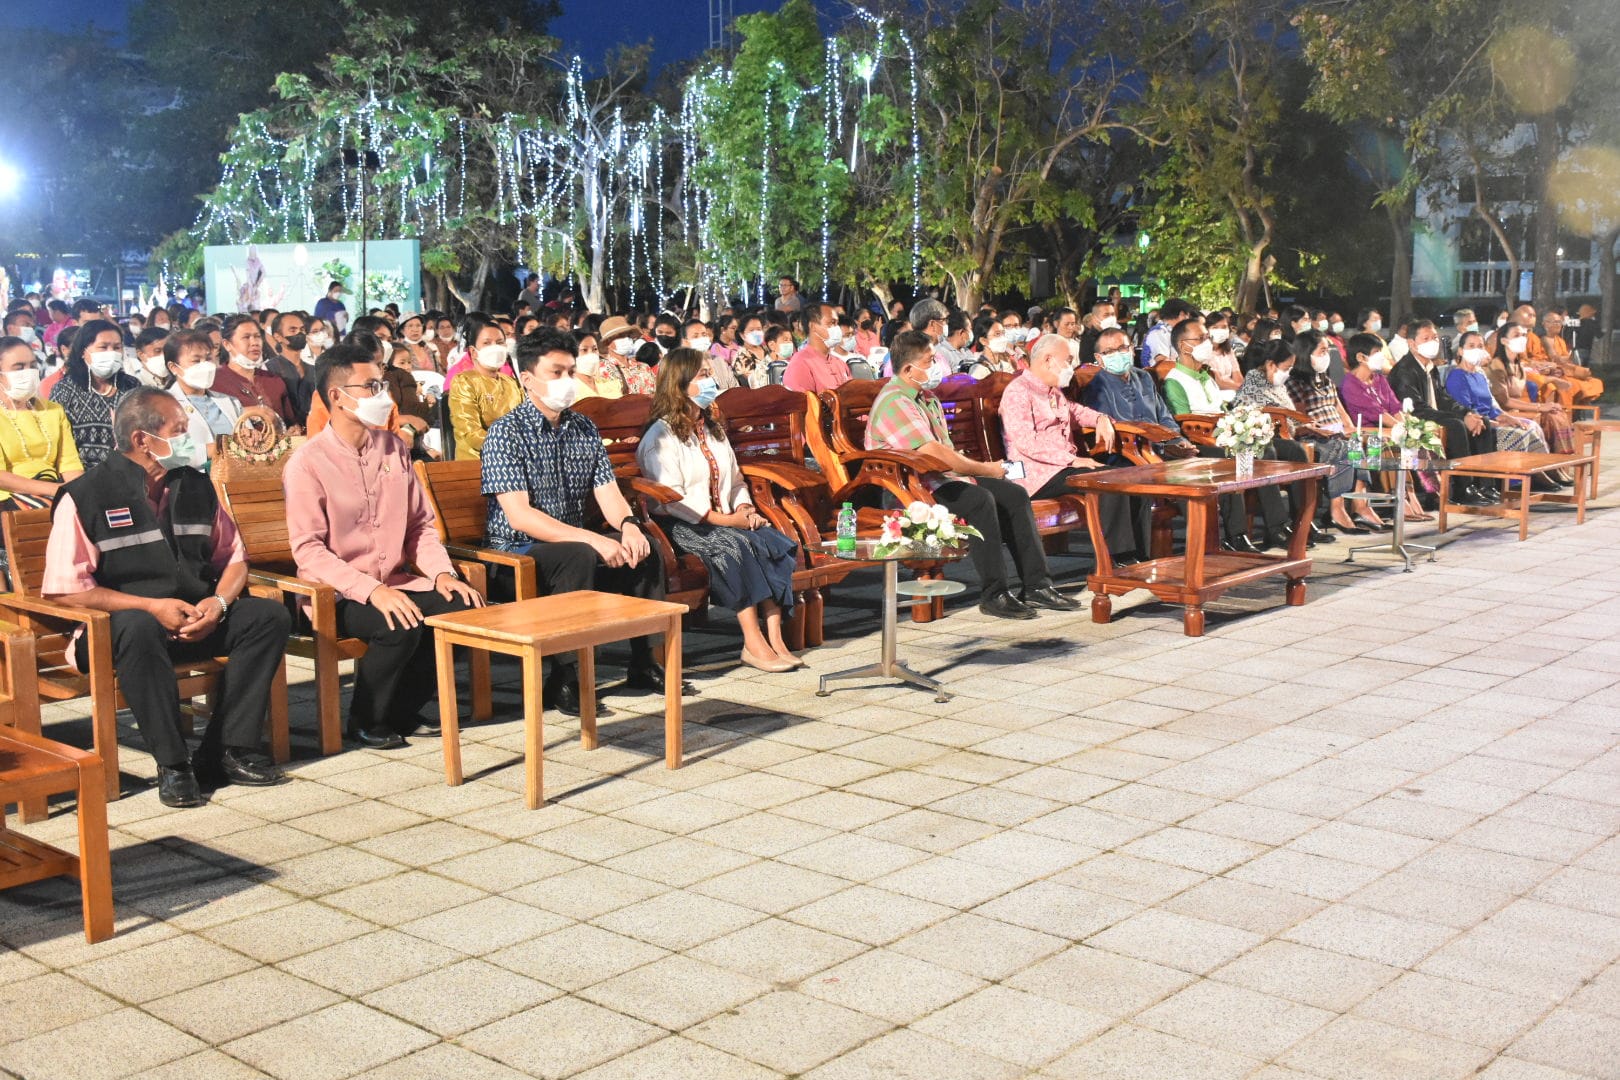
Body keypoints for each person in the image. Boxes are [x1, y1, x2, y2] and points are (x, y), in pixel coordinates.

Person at [42, 389, 291, 807]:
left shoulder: (196, 486)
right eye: (179, 430)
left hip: (194, 621)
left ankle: (226, 750)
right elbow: (66, 589)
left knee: (267, 616)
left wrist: (218, 605)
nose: (190, 438)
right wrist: (151, 607)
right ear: (142, 439)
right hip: (119, 633)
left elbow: (235, 559)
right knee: (139, 627)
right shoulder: (85, 495)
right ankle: (174, 765)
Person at [284, 345, 484, 749]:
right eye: (371, 386)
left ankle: (404, 709)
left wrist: (442, 573)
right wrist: (372, 590)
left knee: (463, 607)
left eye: (382, 385)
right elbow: (308, 549)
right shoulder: (307, 463)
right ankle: (367, 718)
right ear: (337, 395)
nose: (382, 395)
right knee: (398, 623)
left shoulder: (392, 448)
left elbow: (420, 525)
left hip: (397, 581)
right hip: (338, 593)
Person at [481, 329, 672, 714]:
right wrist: (592, 539)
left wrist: (629, 525)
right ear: (527, 378)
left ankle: (643, 661)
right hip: (515, 553)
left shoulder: (583, 428)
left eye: (570, 372)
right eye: (556, 373)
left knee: (645, 547)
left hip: (571, 545)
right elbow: (520, 516)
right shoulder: (506, 433)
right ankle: (566, 676)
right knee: (578, 555)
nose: (566, 381)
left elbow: (608, 493)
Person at [866, 330, 1078, 619]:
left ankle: (1037, 586)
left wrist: (979, 470)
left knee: (1014, 495)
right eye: (929, 362)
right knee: (980, 500)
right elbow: (935, 455)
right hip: (912, 488)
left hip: (941, 478)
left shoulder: (925, 397)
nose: (936, 367)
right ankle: (995, 594)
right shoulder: (896, 402)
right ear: (907, 370)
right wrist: (986, 469)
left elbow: (945, 455)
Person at [638, 349, 802, 672]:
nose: (710, 381)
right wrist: (726, 521)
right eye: (702, 375)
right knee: (736, 545)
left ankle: (775, 636)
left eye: (709, 374)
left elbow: (736, 479)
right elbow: (671, 498)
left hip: (727, 517)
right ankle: (752, 641)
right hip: (680, 525)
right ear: (680, 383)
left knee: (771, 540)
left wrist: (744, 508)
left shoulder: (712, 429)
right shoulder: (661, 436)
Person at [998, 334, 1143, 559]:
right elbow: (1026, 442)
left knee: (1133, 481)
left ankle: (1142, 557)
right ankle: (1120, 560)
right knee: (1109, 481)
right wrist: (1072, 460)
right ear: (1048, 360)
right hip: (1035, 472)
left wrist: (1101, 418)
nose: (1070, 366)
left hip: (1062, 468)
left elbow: (1075, 411)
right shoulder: (1018, 392)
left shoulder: (1052, 390)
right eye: (1067, 360)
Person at [1286, 333, 1389, 532]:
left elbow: (1341, 413)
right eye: (1322, 351)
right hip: (1313, 437)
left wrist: (1352, 431)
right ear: (1307, 353)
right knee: (1343, 447)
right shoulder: (1294, 383)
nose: (1327, 355)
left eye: (1328, 350)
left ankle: (1361, 505)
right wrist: (1331, 431)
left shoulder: (1325, 380)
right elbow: (1301, 420)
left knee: (1363, 442)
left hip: (1337, 433)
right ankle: (1337, 508)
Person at [1388, 321, 1497, 506]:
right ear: (1412, 343)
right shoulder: (1404, 370)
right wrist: (1462, 418)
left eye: (1435, 338)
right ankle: (1463, 488)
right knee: (1456, 425)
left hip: (1433, 414)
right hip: (1415, 418)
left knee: (1482, 420)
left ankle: (1486, 485)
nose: (1433, 342)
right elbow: (1417, 408)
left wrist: (1467, 413)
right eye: (1426, 338)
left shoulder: (1429, 367)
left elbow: (1443, 398)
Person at [1447, 331, 1561, 490]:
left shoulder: (1479, 375)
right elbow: (1468, 412)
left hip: (1492, 419)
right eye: (1471, 346)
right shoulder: (1457, 376)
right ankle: (1515, 481)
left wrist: (1509, 418)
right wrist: (1496, 423)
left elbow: (1492, 406)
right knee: (1518, 434)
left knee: (1530, 426)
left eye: (1480, 346)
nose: (1477, 349)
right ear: (1460, 351)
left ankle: (1542, 472)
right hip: (1480, 425)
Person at [0, 336, 83, 510]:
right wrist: (57, 490)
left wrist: (79, 493)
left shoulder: (53, 410)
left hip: (54, 489)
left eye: (33, 366)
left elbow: (70, 464)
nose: (28, 372)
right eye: (19, 367)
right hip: (9, 495)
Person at [49, 318, 141, 470]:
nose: (111, 353)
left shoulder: (131, 386)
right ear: (83, 351)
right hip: (79, 473)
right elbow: (57, 441)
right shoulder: (64, 390)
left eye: (117, 347)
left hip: (127, 470)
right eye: (103, 347)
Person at [164, 330, 242, 469]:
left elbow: (248, 440)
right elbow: (171, 454)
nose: (204, 365)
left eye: (208, 358)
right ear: (174, 367)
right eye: (196, 361)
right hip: (195, 479)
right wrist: (218, 447)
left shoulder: (230, 402)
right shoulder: (164, 405)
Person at [449, 318, 523, 458]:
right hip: (478, 461)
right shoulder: (464, 382)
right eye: (487, 343)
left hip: (516, 457)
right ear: (473, 351)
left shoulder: (511, 383)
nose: (495, 348)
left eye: (500, 343)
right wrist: (509, 446)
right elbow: (471, 432)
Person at [213, 315, 299, 431]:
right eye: (246, 337)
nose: (254, 343)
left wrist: (293, 429)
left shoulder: (273, 380)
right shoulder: (215, 382)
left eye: (257, 337)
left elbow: (290, 422)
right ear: (227, 344)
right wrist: (244, 412)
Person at [1161, 319, 1230, 414]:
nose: (1208, 343)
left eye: (1208, 338)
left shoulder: (1206, 375)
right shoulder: (1174, 383)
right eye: (1201, 338)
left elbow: (1223, 411)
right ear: (1183, 346)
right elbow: (1184, 420)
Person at [782, 302, 851, 393]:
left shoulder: (840, 363)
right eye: (832, 323)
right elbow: (801, 400)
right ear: (813, 326)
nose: (837, 328)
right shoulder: (800, 363)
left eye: (837, 323)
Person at [265, 311, 314, 426]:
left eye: (302, 329)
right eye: (293, 330)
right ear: (278, 337)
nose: (299, 333)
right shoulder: (268, 370)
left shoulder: (314, 369)